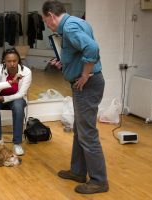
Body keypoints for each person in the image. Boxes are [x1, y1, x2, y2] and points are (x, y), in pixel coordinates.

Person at [42, 1, 108, 194]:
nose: (47, 25)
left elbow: (92, 49)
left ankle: (99, 181)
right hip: (87, 84)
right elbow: (79, 52)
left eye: (46, 21)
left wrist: (85, 75)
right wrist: (66, 65)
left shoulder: (69, 27)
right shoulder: (77, 22)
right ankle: (79, 171)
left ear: (51, 15)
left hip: (88, 85)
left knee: (87, 133)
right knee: (81, 130)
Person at [0, 48, 32, 156]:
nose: (12, 64)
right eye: (9, 61)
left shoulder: (26, 72)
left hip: (16, 98)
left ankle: (17, 143)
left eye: (15, 61)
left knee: (18, 106)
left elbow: (21, 94)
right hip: (0, 96)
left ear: (18, 61)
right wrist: (10, 82)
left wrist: (3, 99)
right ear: (4, 61)